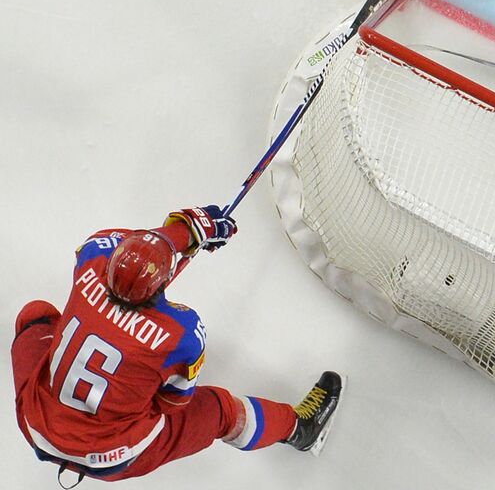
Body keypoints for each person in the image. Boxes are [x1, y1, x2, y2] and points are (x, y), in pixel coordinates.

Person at [11, 204, 342, 482]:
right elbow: (172, 404)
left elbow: (132, 243)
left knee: (35, 315)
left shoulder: (91, 256)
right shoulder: (182, 332)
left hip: (35, 423)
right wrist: (193, 231)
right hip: (112, 453)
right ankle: (299, 429)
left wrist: (187, 232)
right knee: (221, 411)